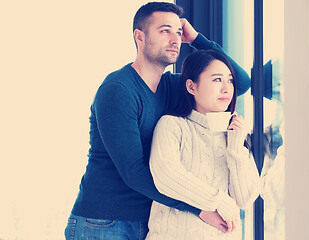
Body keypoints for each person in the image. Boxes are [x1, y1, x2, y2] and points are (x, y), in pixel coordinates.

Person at [64, 2, 251, 239]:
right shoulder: (119, 90)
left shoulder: (171, 86)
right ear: (139, 37)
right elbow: (134, 172)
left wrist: (196, 39)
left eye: (178, 32)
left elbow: (241, 83)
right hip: (104, 222)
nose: (175, 39)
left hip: (148, 219)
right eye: (165, 31)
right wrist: (200, 208)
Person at [146, 50, 260, 239]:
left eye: (230, 80)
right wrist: (219, 200)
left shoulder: (235, 137)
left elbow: (245, 199)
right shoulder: (172, 125)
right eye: (217, 80)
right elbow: (166, 175)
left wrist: (235, 148)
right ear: (191, 86)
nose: (226, 88)